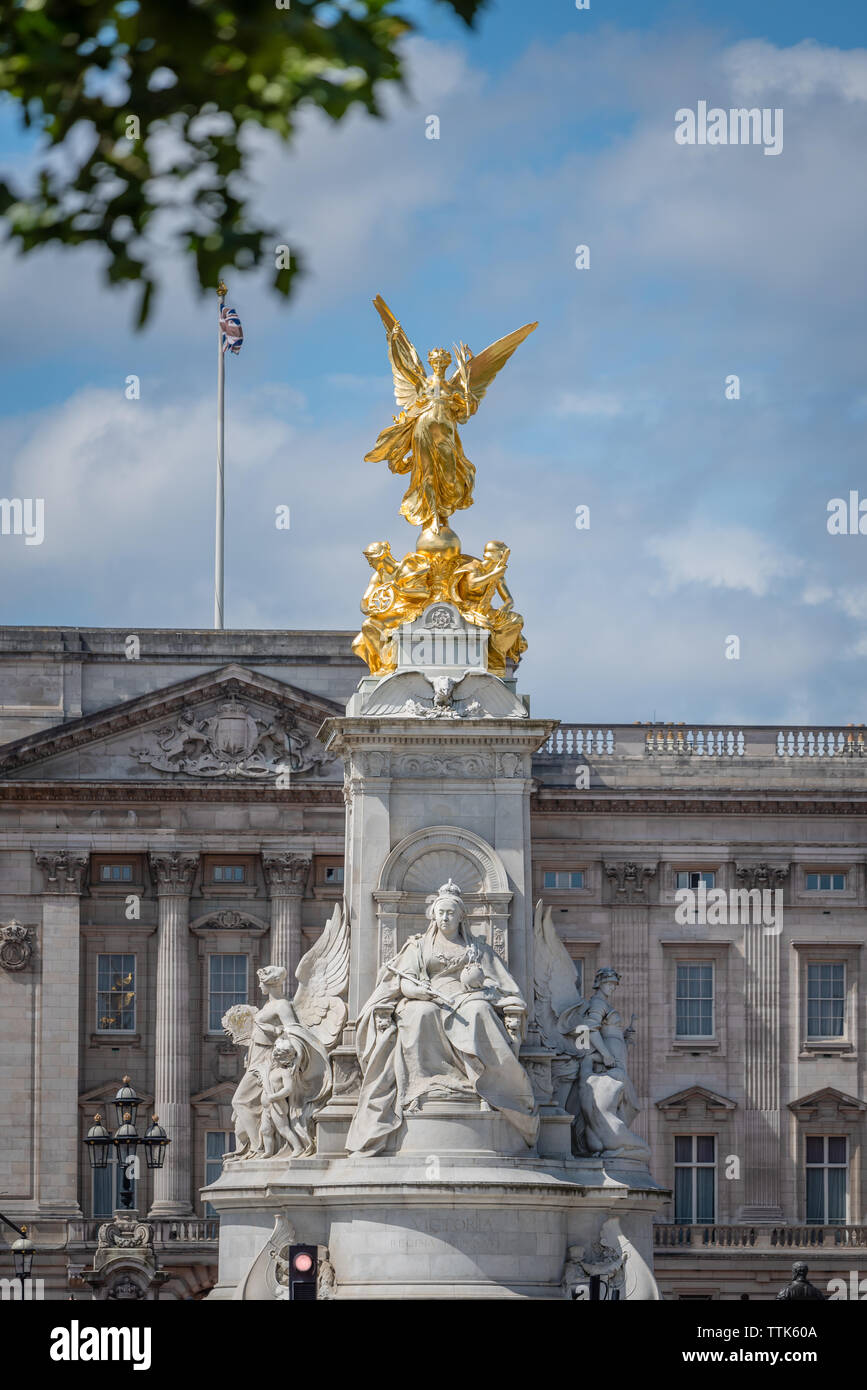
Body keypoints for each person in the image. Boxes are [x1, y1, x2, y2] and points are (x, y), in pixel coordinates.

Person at [346, 881, 538, 1154]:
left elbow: (500, 984)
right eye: (441, 912)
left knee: (480, 1011)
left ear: (461, 916)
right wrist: (421, 993)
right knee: (420, 1014)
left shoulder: (477, 948)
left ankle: (485, 1086)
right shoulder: (418, 946)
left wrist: (481, 987)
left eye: (450, 912)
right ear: (433, 915)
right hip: (426, 998)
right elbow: (403, 982)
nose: (445, 917)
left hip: (466, 998)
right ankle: (421, 1088)